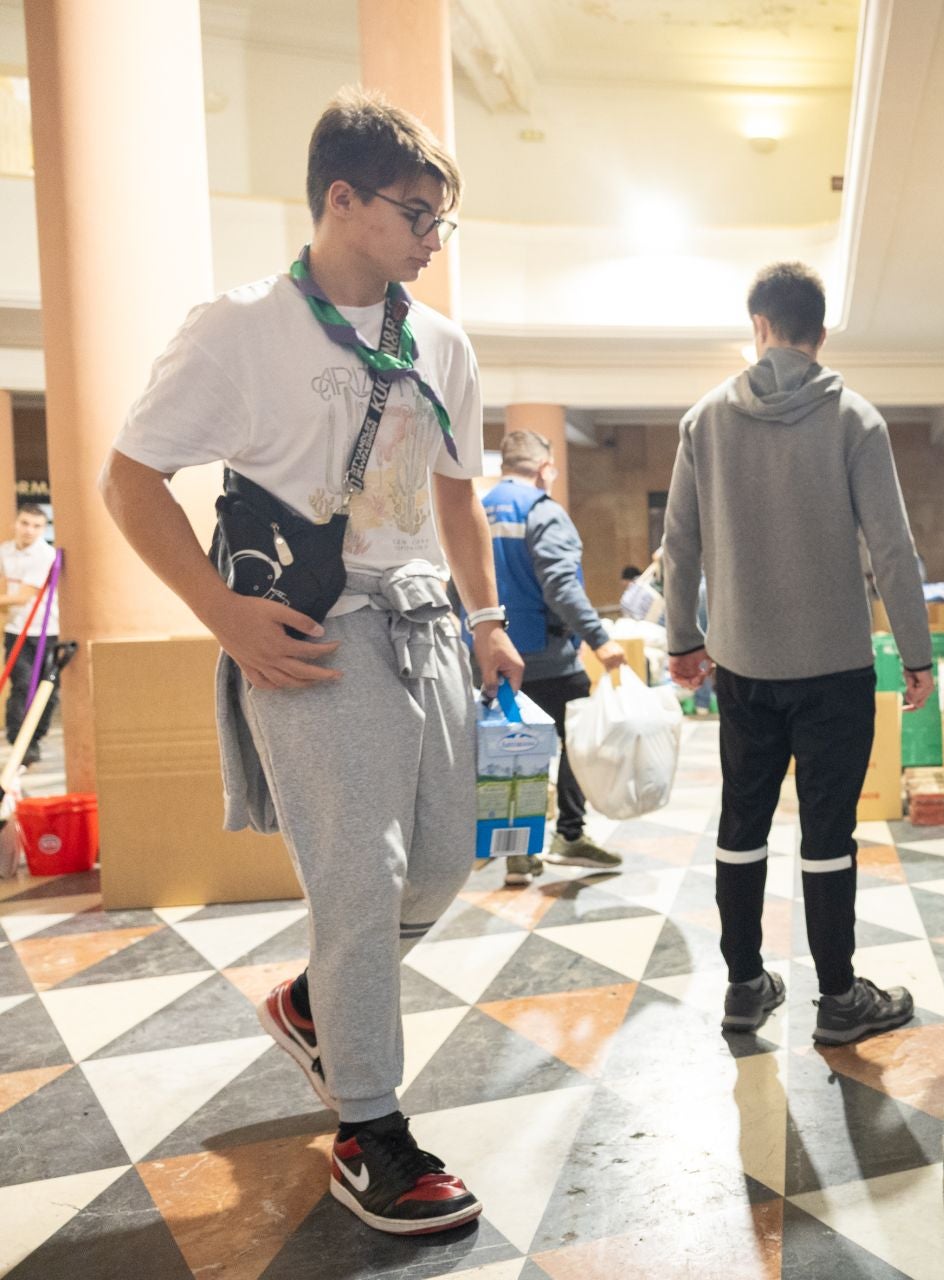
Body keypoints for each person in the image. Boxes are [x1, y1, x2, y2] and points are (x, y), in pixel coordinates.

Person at [100, 89, 511, 1237]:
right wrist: (220, 615)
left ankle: (318, 1000)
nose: (433, 238)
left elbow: (456, 496)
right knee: (358, 873)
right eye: (415, 213)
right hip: (308, 632)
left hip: (425, 618)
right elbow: (128, 482)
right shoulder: (235, 328)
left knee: (440, 864)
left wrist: (484, 616)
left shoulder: (441, 342)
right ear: (341, 200)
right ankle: (373, 1134)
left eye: (442, 220)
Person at [663, 261, 933, 1045]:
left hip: (743, 665)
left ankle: (744, 986)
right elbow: (893, 548)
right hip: (836, 667)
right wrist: (916, 654)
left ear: (759, 326)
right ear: (820, 331)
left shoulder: (704, 420)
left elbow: (678, 546)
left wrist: (684, 639)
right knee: (828, 833)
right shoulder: (855, 420)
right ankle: (840, 998)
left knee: (740, 822)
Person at [482, 429, 627, 885]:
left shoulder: (476, 509)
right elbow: (561, 586)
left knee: (511, 752)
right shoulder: (542, 511)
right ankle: (569, 834)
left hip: (493, 656)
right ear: (544, 468)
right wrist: (600, 638)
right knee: (577, 743)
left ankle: (517, 852)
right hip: (548, 656)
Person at [0, 504, 58, 765]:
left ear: (43, 529)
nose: (29, 531)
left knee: (47, 689)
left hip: (47, 631)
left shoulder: (44, 555)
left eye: (36, 526)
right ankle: (19, 741)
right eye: (25, 523)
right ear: (16, 523)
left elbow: (23, 597)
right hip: (16, 630)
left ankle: (34, 738)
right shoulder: (4, 552)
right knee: (21, 685)